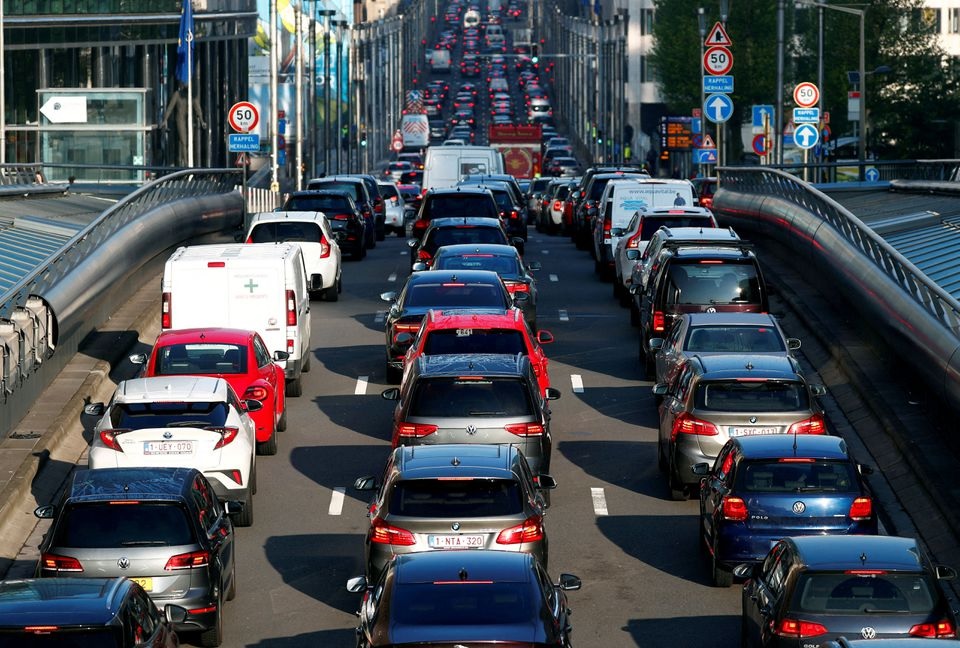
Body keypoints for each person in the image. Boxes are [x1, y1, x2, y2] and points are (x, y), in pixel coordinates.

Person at [161, 82, 206, 166]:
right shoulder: (177, 95)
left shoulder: (192, 96)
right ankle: (185, 162)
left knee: (190, 141)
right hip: (180, 119)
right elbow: (170, 108)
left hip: (189, 120)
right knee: (183, 141)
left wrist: (202, 121)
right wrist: (165, 120)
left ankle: (190, 160)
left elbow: (198, 108)